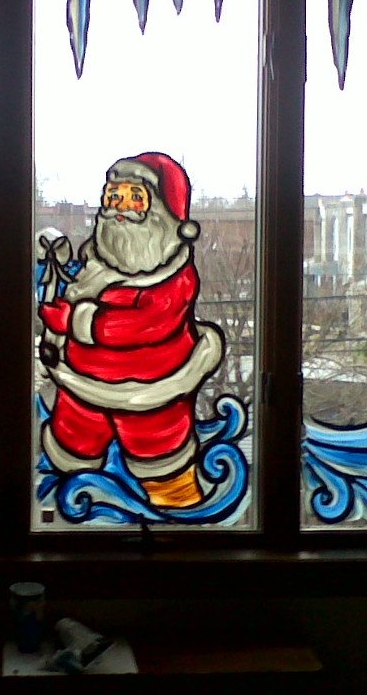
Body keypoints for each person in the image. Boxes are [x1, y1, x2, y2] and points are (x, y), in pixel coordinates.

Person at [38, 152, 224, 508]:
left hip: (150, 397)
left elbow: (139, 325)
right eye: (114, 196)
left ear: (165, 215)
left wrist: (75, 321)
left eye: (135, 198)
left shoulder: (174, 278)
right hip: (81, 388)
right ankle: (66, 513)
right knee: (68, 459)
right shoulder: (99, 259)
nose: (119, 209)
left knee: (165, 471)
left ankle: (177, 520)